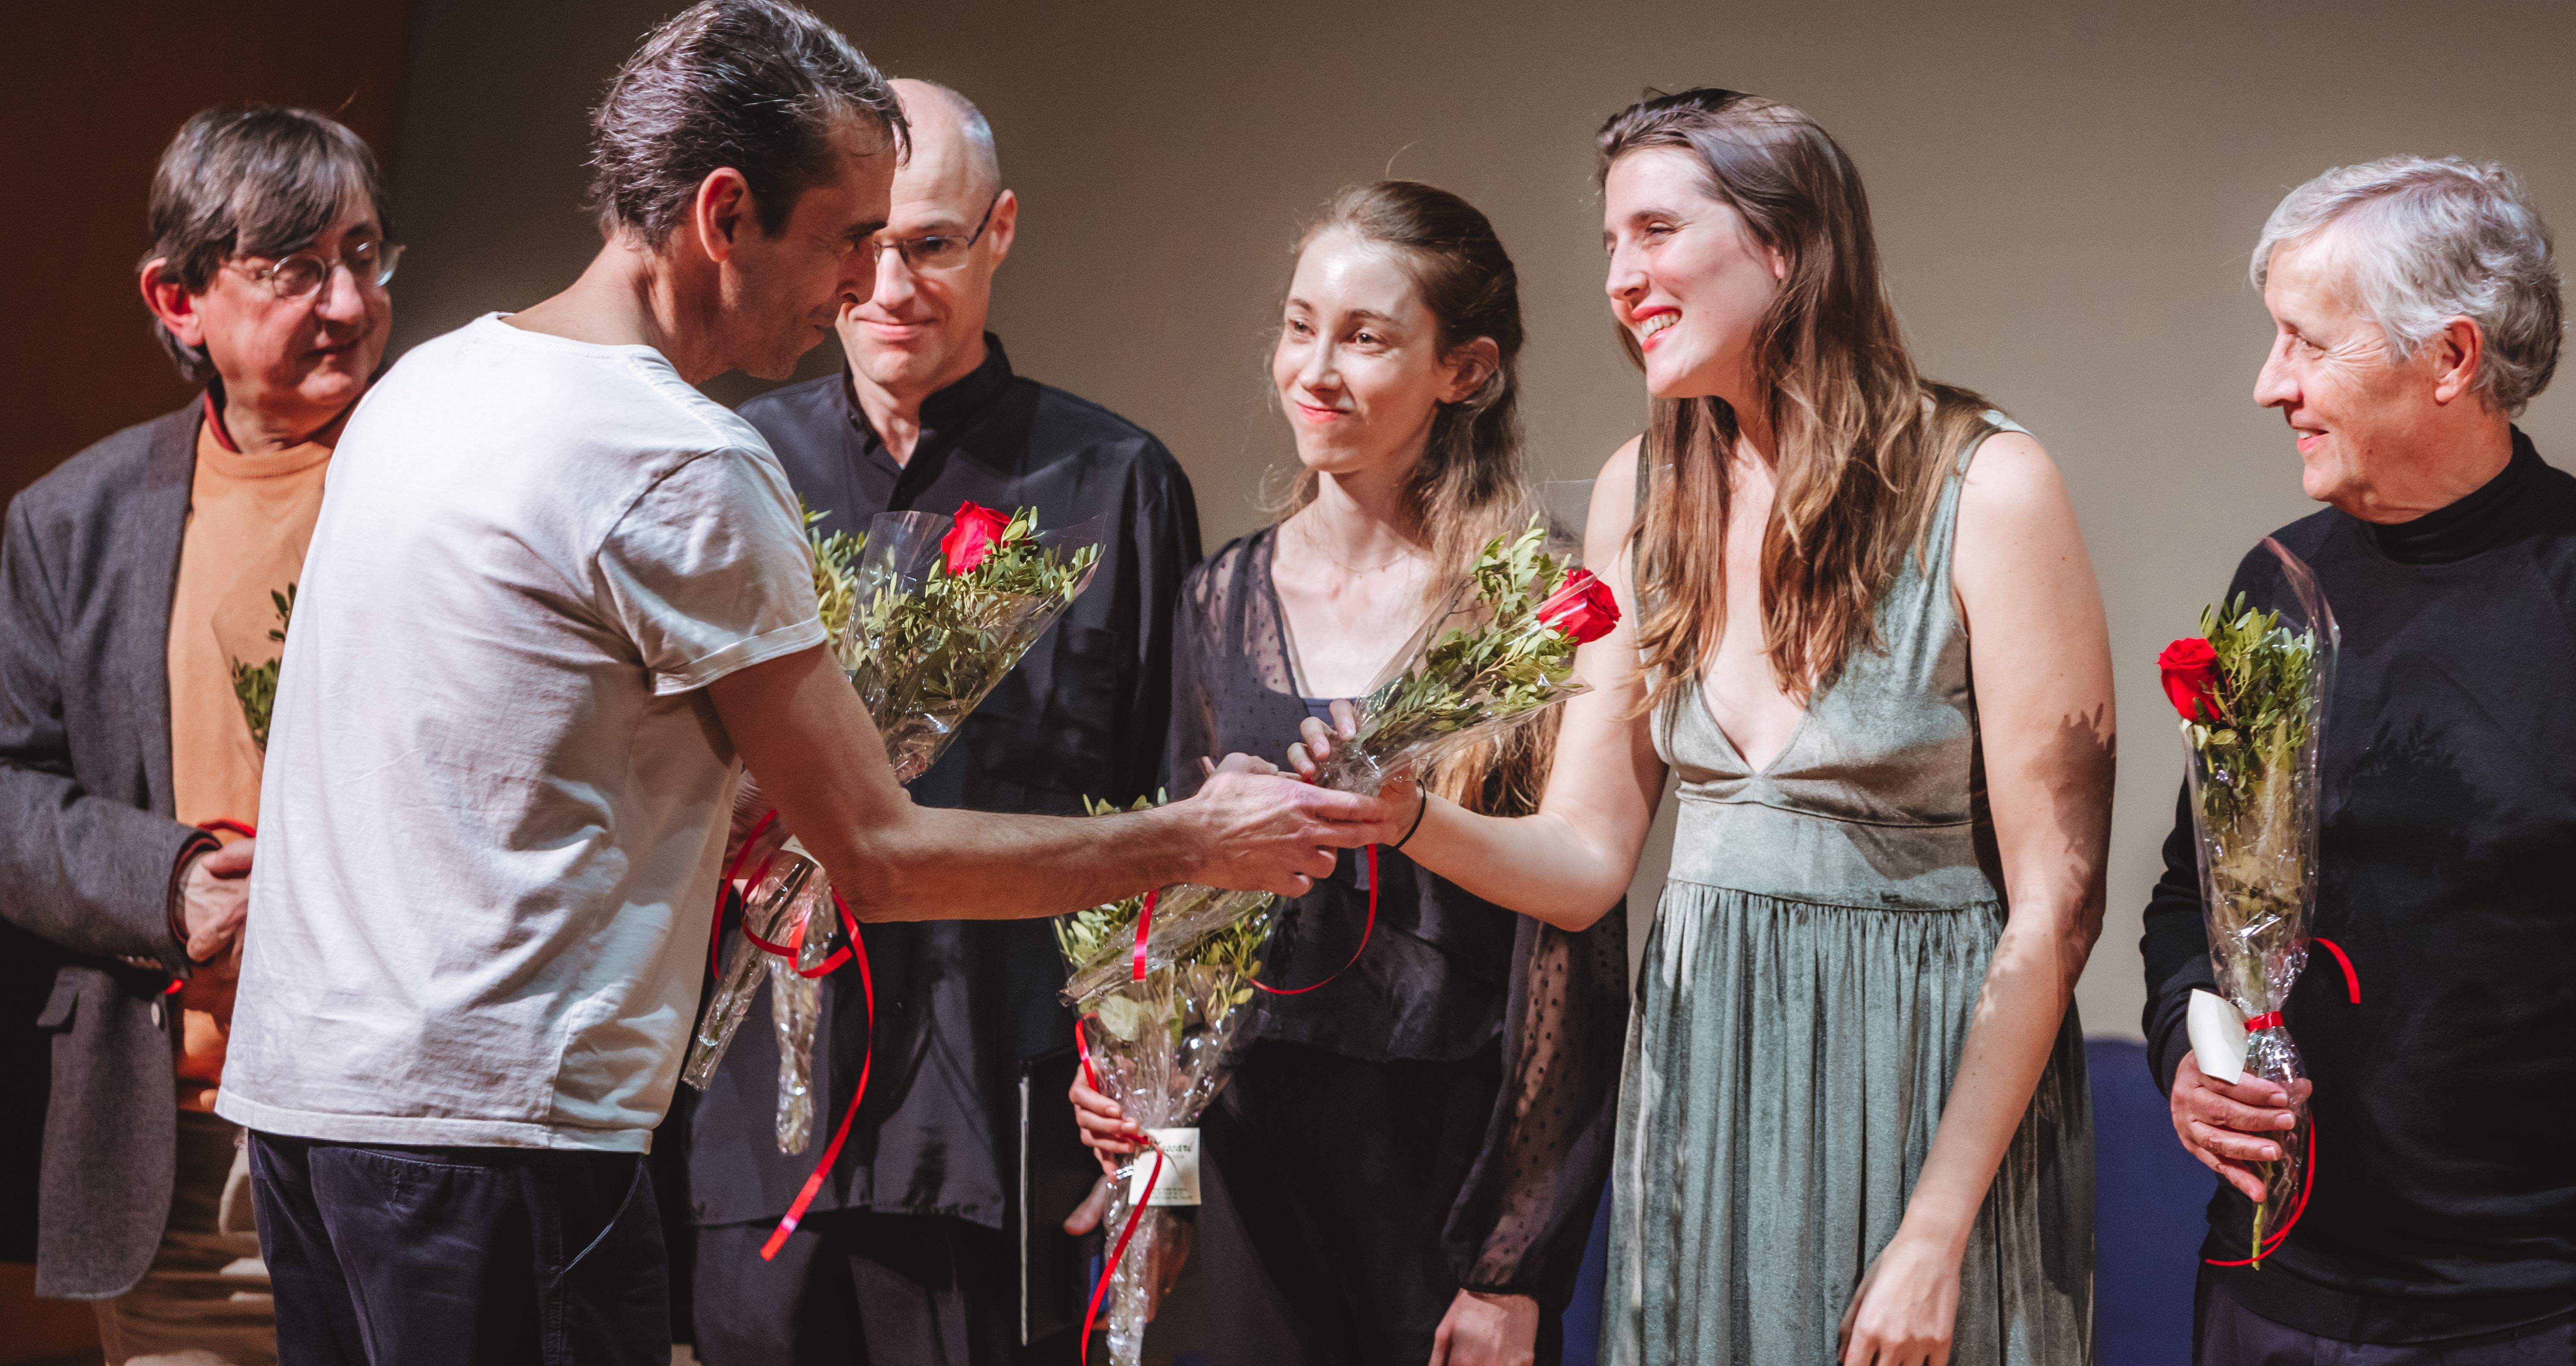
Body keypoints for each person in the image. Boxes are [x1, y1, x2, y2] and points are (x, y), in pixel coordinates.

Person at [210, 0, 1396, 1366]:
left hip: (310, 1112)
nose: (862, 285)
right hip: (502, 1139)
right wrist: (1201, 839)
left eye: (914, 241)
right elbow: (879, 860)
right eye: (845, 238)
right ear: (725, 215)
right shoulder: (683, 462)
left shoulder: (427, 385)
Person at [1302, 93, 2109, 1365]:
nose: (1622, 280)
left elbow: (2055, 908)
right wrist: (1403, 816)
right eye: (1611, 245)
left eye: (1657, 233)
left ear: (1786, 249)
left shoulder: (1989, 486)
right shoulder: (1646, 487)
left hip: (1918, 1100)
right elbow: (1581, 866)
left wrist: (1935, 1230)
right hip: (1708, 1093)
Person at [685, 79, 1202, 1364]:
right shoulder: (741, 461)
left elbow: (1174, 834)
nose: (892, 286)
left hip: (1009, 1122)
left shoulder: (1113, 485)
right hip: (763, 1122)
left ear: (1003, 231)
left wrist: (1169, 1155)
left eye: (934, 243)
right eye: (866, 245)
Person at [1072, 182, 1629, 1366]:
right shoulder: (1222, 599)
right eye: (1298, 324)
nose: (1315, 368)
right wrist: (1157, 1160)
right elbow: (1179, 928)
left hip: (1443, 1177)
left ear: (1462, 370)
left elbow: (1568, 958)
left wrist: (1515, 1266)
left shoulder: (1531, 611)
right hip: (1250, 1166)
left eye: (1366, 337)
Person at [2141, 156, 2576, 1362]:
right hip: (2274, 1289)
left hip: (2523, 1312)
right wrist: (2187, 1049)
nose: (2266, 384)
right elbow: (2192, 899)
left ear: (2451, 359)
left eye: (2304, 342)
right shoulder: (2276, 585)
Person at [0, 104, 400, 1363]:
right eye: (293, 269)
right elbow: (8, 788)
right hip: (181, 1152)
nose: (347, 301)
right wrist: (166, 884)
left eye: (367, 255)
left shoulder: (450, 482)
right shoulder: (76, 521)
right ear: (179, 300)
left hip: (406, 1132)